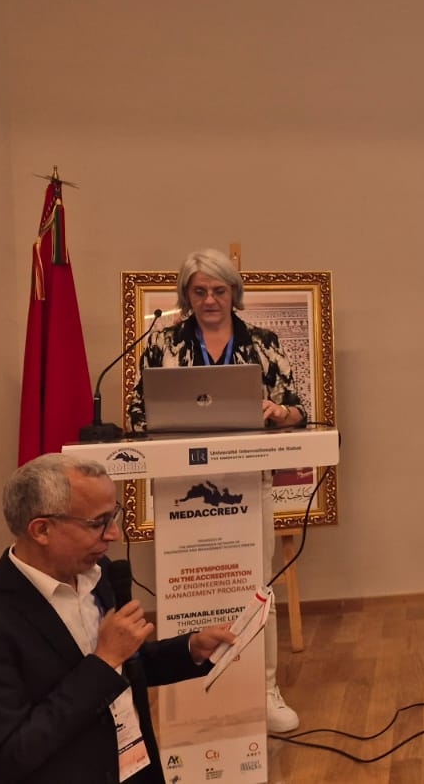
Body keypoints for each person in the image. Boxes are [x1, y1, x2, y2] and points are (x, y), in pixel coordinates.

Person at [0, 454, 235, 784]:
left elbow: (128, 666)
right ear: (42, 529)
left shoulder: (98, 574)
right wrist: (103, 661)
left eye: (113, 516)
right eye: (97, 523)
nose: (114, 534)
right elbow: (12, 755)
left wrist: (191, 649)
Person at [126, 247, 303, 733]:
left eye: (219, 291)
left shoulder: (263, 343)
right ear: (186, 295)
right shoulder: (162, 343)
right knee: (191, 584)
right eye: (199, 291)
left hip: (249, 483)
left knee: (255, 585)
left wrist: (279, 412)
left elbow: (297, 409)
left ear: (233, 294)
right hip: (181, 486)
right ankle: (187, 692)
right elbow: (138, 413)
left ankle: (264, 689)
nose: (209, 300)